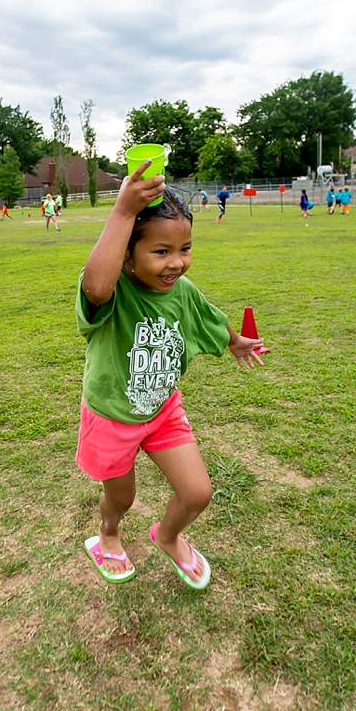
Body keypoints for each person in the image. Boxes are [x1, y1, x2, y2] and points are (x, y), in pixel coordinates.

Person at [76, 165, 264, 589]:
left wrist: (234, 341)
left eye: (185, 248)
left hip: (162, 410)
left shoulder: (183, 290)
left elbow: (209, 319)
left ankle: (167, 535)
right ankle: (107, 531)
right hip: (113, 415)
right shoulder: (115, 288)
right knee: (122, 498)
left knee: (197, 493)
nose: (176, 263)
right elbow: (96, 289)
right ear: (127, 253)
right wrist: (123, 213)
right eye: (161, 251)